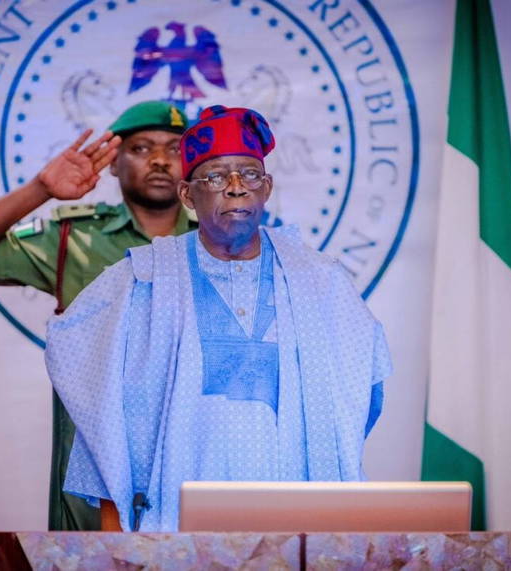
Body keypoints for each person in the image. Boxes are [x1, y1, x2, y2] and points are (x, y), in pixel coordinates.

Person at [45, 106, 391, 532]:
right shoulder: (140, 280)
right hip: (171, 520)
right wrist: (119, 541)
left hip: (297, 514)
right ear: (187, 195)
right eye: (215, 177)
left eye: (250, 175)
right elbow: (101, 412)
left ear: (267, 188)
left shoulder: (322, 281)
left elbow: (361, 395)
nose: (235, 188)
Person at [0, 100, 197, 530]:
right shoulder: (73, 235)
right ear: (113, 163)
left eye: (175, 148)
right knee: (89, 555)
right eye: (141, 148)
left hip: (191, 450)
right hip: (95, 462)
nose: (161, 160)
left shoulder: (217, 242)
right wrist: (40, 190)